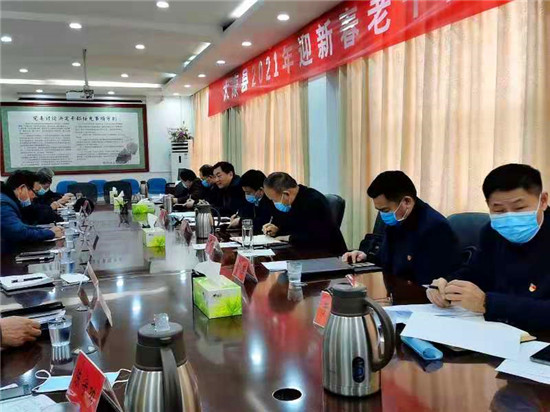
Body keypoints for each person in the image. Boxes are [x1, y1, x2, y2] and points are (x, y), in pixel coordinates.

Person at [427, 164, 549, 332]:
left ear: (543, 201)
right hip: (496, 331)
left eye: (519, 208)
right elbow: (476, 272)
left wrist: (487, 303)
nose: (509, 218)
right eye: (499, 210)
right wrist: (447, 284)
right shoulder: (491, 232)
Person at [342, 171, 459, 290]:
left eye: (385, 210)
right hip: (395, 291)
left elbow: (429, 280)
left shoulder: (435, 227)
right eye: (379, 210)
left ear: (407, 202)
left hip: (417, 296)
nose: (383, 215)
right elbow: (386, 259)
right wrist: (365, 257)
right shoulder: (398, 219)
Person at [262, 172, 347, 255]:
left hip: (328, 255)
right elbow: (293, 227)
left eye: (274, 200)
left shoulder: (313, 201)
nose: (274, 203)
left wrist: (287, 238)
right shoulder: (292, 202)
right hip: (303, 252)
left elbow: (315, 237)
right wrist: (276, 230)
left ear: (286, 194)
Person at [0, 170, 64, 253]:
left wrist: (46, 230)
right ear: (22, 188)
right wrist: (50, 233)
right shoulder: (3, 204)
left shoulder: (8, 200)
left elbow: (22, 227)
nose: (35, 196)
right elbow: (18, 232)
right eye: (34, 191)